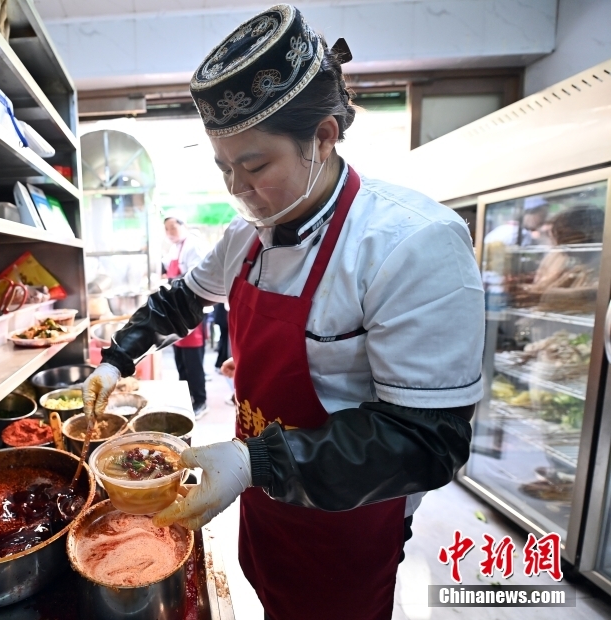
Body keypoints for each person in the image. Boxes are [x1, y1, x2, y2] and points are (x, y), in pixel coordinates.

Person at [83, 5, 483, 619]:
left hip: (349, 517)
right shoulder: (248, 236)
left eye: (255, 166)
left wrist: (254, 460)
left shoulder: (409, 243)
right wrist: (117, 357)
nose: (237, 190)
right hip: (267, 499)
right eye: (223, 168)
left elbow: (428, 440)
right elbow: (182, 299)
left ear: (323, 136)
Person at [163, 212, 209, 417]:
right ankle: (188, 396)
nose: (170, 233)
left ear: (184, 225)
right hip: (177, 309)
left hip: (193, 309)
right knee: (180, 359)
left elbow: (196, 275)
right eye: (166, 229)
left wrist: (172, 281)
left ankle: (200, 400)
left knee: (193, 360)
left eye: (173, 227)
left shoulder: (194, 244)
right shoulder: (174, 248)